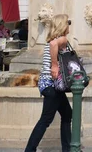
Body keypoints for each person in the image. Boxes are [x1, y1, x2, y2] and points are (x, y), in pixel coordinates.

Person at [25, 14, 73, 152]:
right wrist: (54, 65)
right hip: (52, 85)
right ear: (63, 25)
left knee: (67, 114)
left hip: (50, 85)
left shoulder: (55, 39)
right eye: (68, 22)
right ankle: (29, 150)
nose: (69, 25)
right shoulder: (60, 39)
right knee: (46, 119)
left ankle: (67, 148)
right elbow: (54, 45)